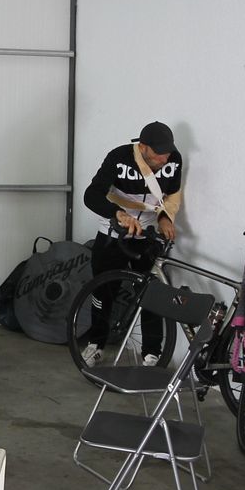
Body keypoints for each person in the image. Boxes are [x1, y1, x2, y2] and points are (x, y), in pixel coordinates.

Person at [80, 120, 186, 367]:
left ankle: (151, 352)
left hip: (147, 236)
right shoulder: (118, 158)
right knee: (103, 292)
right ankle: (96, 344)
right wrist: (118, 213)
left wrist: (164, 218)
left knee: (151, 293)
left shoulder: (174, 159)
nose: (164, 158)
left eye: (167, 152)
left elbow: (171, 195)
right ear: (143, 147)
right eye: (158, 153)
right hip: (113, 233)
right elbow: (92, 194)